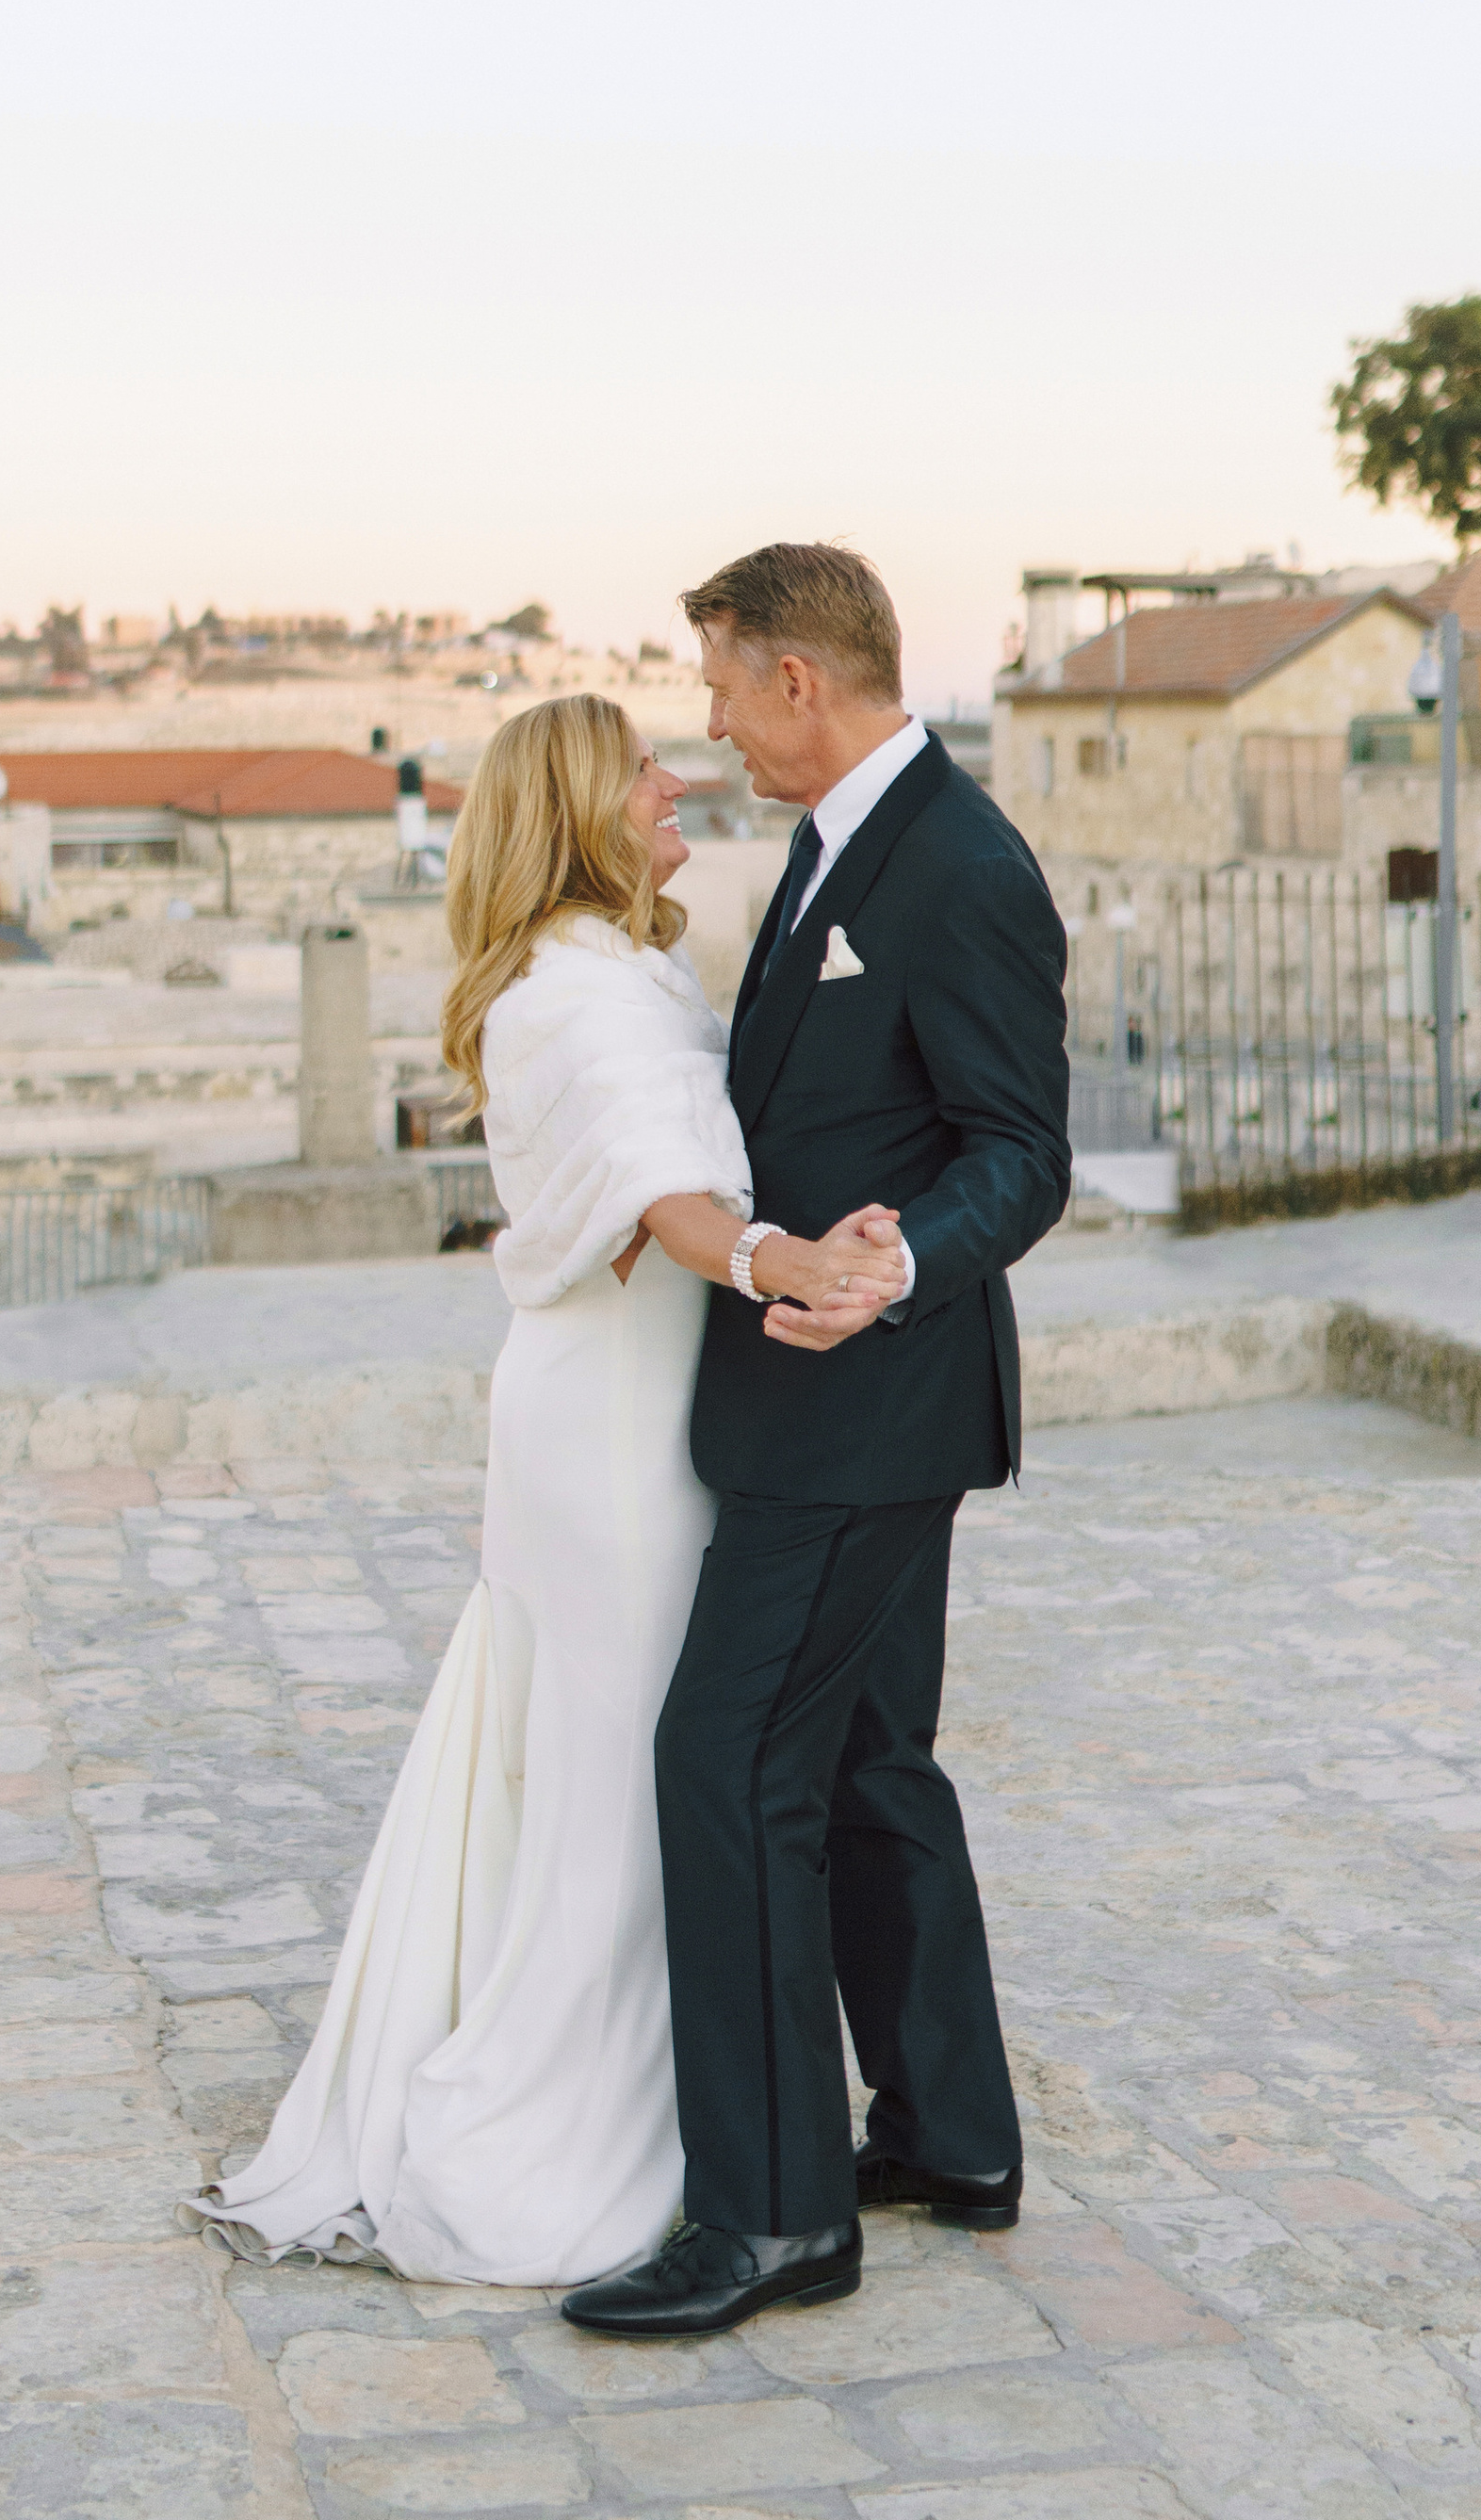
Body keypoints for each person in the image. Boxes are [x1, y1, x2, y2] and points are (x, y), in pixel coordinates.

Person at [182, 690, 905, 2284]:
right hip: (618, 1436)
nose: (672, 781)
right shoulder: (579, 998)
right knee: (623, 1779)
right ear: (580, 806)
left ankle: (691, 2100)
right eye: (641, 768)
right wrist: (794, 1262)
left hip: (624, 1403)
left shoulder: (613, 964)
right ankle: (576, 2130)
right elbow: (669, 1195)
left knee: (608, 1758)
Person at [560, 543, 1070, 2340]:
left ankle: (773, 2215)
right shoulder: (828, 849)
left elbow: (1024, 1152)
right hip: (821, 1396)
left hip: (866, 1404)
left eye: (718, 688)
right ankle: (951, 2136)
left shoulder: (959, 862)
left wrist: (896, 1269)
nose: (706, 728)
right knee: (863, 1760)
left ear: (798, 678)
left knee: (727, 1763)